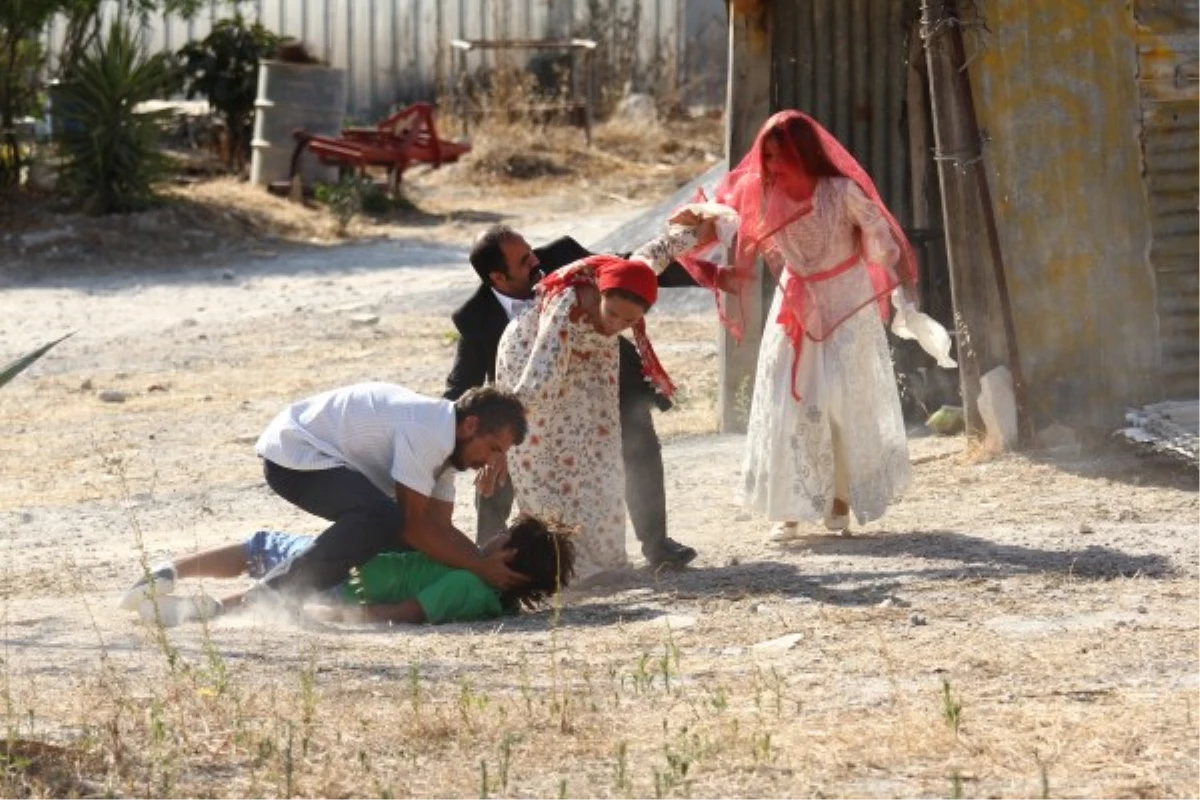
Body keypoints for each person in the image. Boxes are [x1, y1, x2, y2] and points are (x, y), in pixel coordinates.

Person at [680, 110, 918, 542]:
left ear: (805, 154)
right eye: (767, 157)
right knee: (787, 400)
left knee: (842, 400)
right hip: (794, 306)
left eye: (781, 157)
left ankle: (841, 500)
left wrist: (877, 244)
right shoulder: (758, 194)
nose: (772, 166)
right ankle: (789, 507)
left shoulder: (841, 191)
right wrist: (694, 220)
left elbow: (881, 241)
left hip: (845, 304)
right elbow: (721, 222)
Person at [136, 382, 531, 612]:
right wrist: (480, 568)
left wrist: (480, 561)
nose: (491, 462)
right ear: (471, 425)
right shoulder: (428, 431)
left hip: (312, 452)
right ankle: (272, 597)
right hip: (294, 452)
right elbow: (413, 527)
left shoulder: (447, 455)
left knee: (384, 523)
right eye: (494, 447)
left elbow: (438, 528)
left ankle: (170, 576)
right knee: (384, 520)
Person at [443, 225, 699, 570]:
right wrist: (459, 438)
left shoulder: (565, 257)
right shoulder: (474, 319)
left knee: (639, 443)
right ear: (499, 277)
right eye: (523, 260)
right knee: (498, 458)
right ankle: (488, 553)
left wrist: (711, 275)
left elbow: (629, 269)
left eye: (530, 250)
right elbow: (462, 386)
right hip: (529, 398)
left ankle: (656, 544)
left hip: (598, 385)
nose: (536, 260)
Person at [493, 235, 730, 582]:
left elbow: (655, 251)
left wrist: (699, 227)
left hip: (588, 362)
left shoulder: (632, 277)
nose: (617, 324)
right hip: (532, 358)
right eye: (613, 312)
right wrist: (500, 439)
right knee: (544, 460)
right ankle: (565, 566)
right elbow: (537, 383)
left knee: (599, 455)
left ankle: (604, 560)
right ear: (601, 293)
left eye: (628, 321)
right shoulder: (564, 308)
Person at [120, 515, 576, 627]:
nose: (492, 537)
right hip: (354, 581)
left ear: (509, 558)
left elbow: (405, 611)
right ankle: (188, 606)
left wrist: (335, 615)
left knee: (262, 551)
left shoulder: (469, 582)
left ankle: (167, 578)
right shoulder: (488, 598)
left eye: (502, 538)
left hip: (352, 579)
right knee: (274, 579)